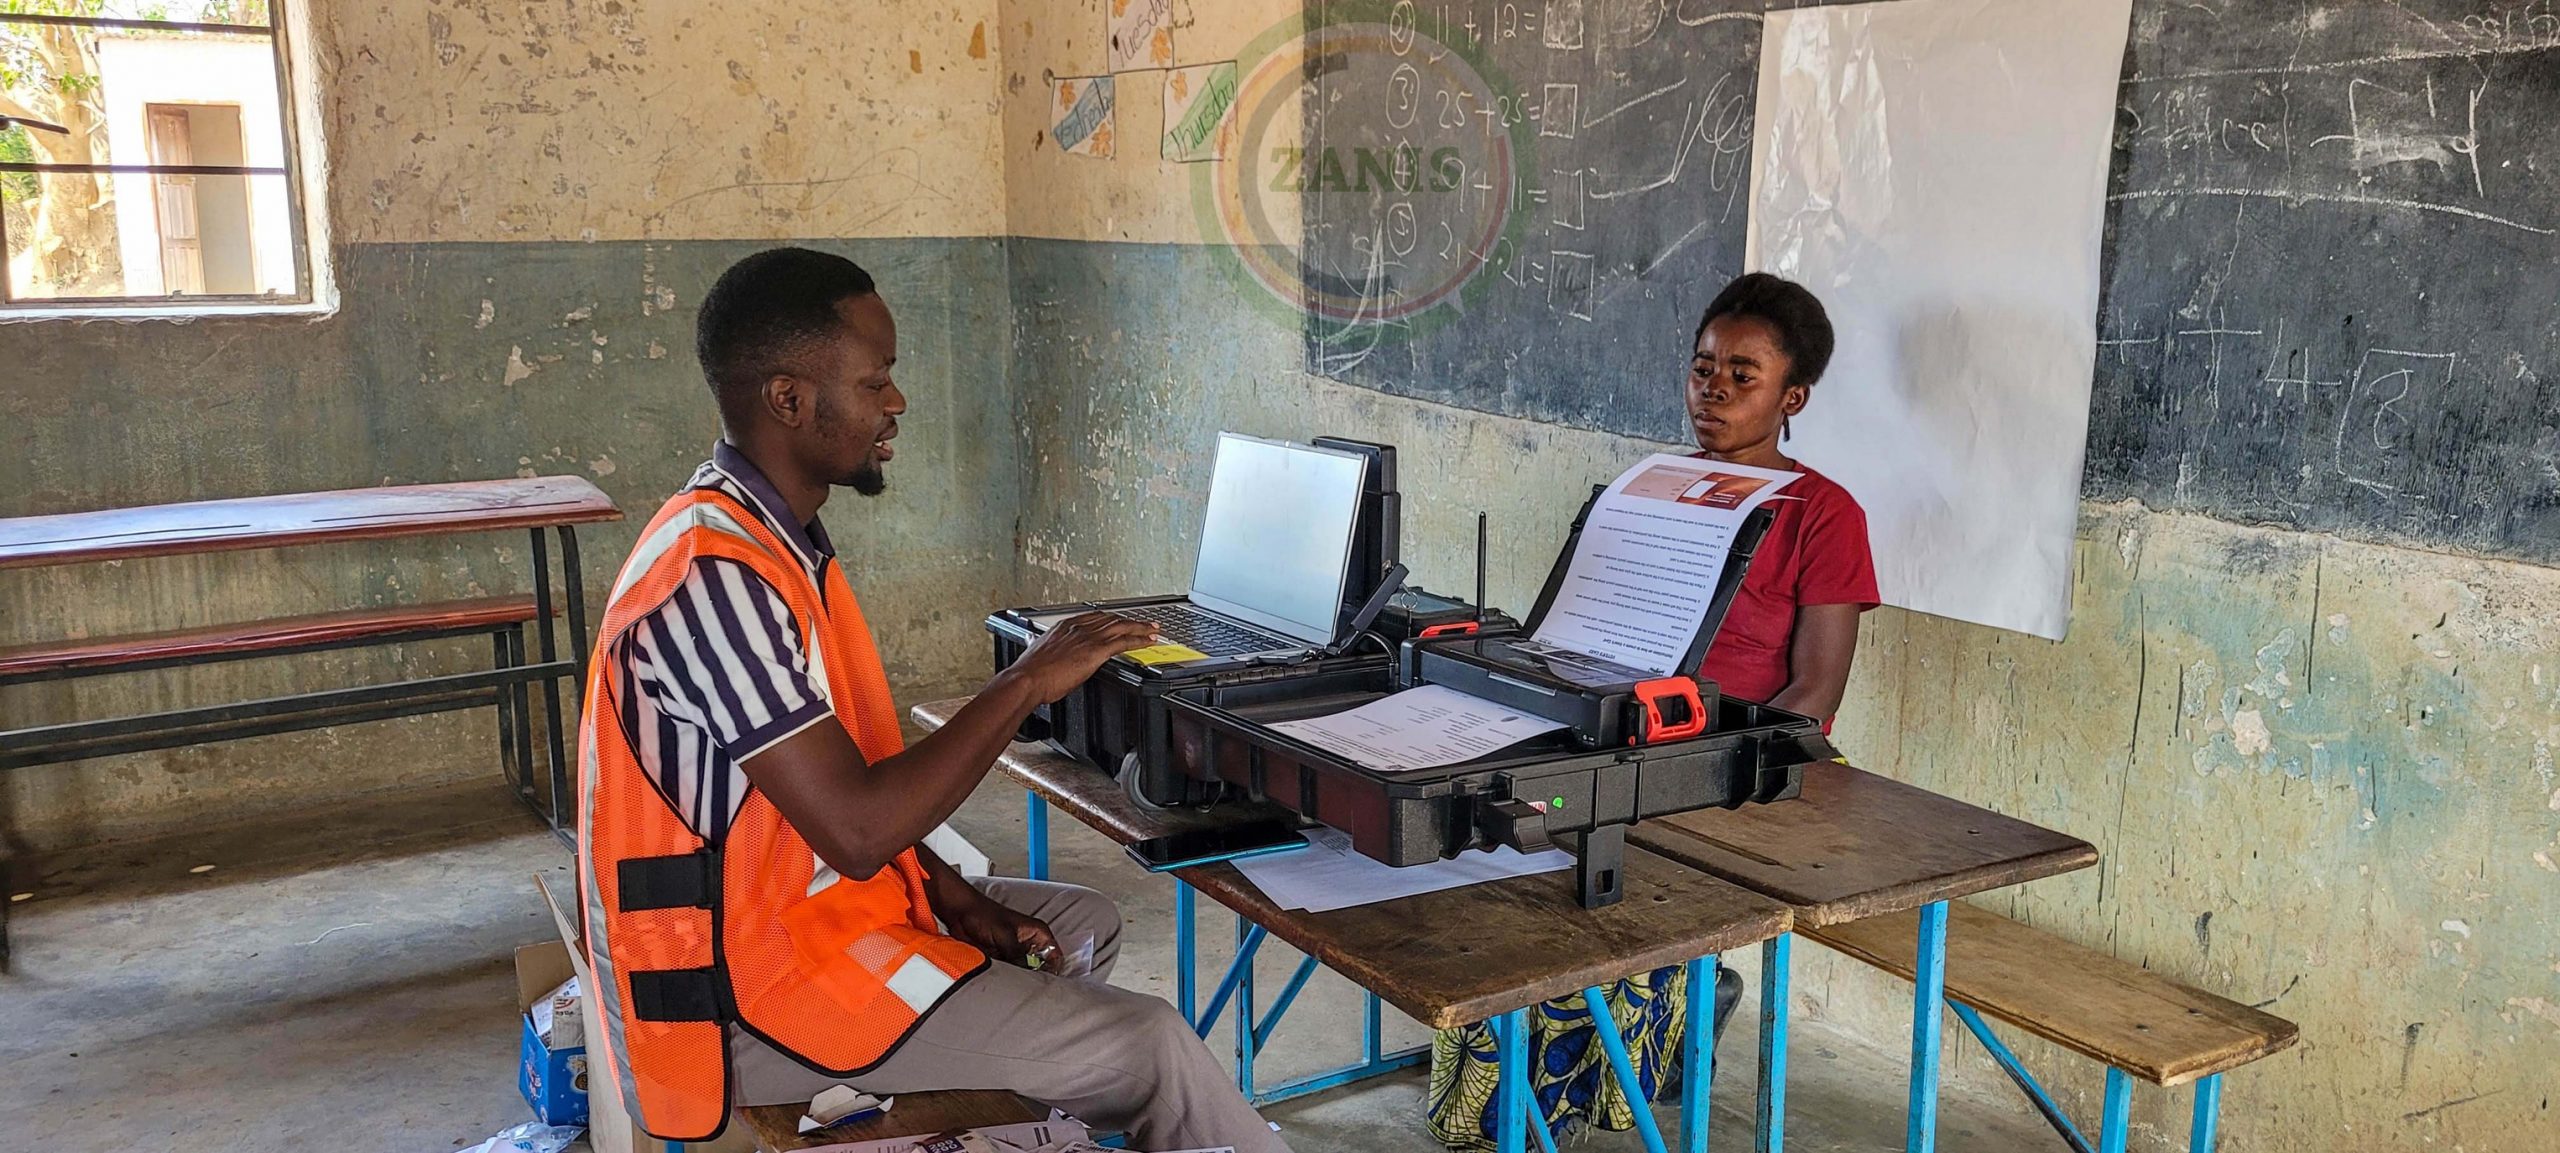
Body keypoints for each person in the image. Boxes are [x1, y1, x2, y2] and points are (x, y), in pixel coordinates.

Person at [574, 247, 1290, 1152]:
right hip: (740, 999)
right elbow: (859, 828)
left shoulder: (773, 537)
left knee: (1081, 926)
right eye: (876, 382)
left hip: (806, 924)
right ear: (789, 399)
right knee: (1150, 1044)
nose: (896, 405)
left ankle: (1014, 1124)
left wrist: (953, 896)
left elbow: (830, 792)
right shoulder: (710, 579)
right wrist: (1025, 681)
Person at [1426, 272, 1877, 1148]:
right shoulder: (1650, 485)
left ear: (1794, 397)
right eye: (1703, 366)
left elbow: (1813, 700)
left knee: (1597, 894)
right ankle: (1570, 1061)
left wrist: (1689, 768)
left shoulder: (1825, 515)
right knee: (1491, 859)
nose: (1713, 388)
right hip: (1626, 730)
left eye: (1743, 375)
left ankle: (1586, 1076)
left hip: (1737, 753)